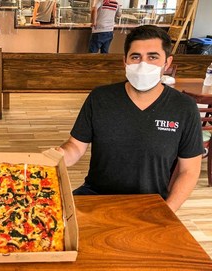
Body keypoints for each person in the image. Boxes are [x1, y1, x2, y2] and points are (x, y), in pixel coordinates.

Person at [57, 25, 203, 212]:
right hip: (95, 195)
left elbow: (189, 171)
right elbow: (76, 146)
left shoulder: (184, 107)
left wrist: (168, 210)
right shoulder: (100, 98)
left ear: (167, 63)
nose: (143, 64)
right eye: (135, 57)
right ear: (124, 61)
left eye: (152, 57)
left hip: (150, 202)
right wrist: (59, 155)